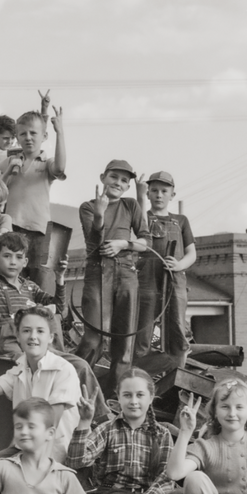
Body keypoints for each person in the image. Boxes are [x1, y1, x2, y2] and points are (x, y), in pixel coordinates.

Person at [67, 368, 174, 494]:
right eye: (127, 395)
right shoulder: (107, 429)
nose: (133, 401)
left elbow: (167, 478)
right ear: (118, 397)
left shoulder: (162, 434)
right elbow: (76, 461)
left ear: (151, 396)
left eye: (140, 395)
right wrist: (84, 422)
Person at [0, 308, 82, 462]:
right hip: (24, 449)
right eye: (26, 331)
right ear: (18, 337)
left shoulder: (63, 370)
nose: (33, 336)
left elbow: (49, 426)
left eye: (40, 331)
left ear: (50, 338)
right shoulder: (19, 370)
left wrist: (19, 465)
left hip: (55, 455)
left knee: (0, 474)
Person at [76, 159, 149, 393]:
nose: (118, 183)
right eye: (113, 177)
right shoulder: (88, 206)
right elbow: (94, 242)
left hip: (126, 274)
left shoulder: (131, 206)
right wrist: (99, 216)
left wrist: (123, 243)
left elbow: (145, 242)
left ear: (128, 186)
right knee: (92, 340)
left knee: (124, 343)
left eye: (124, 180)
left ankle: (116, 398)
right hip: (98, 272)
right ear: (102, 178)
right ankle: (71, 386)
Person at [0, 231, 67, 359]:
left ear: (25, 262)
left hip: (30, 336)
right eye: (7, 256)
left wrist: (60, 278)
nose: (13, 262)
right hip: (5, 339)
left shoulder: (31, 287)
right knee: (26, 361)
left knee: (78, 364)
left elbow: (58, 307)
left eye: (18, 257)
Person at [3, 95, 68, 294]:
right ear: (17, 137)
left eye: (33, 133)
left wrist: (60, 132)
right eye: (23, 134)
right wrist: (9, 171)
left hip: (40, 231)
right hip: (13, 229)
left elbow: (60, 167)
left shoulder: (46, 163)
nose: (28, 137)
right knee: (14, 284)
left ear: (44, 136)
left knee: (42, 283)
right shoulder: (9, 162)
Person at [135, 170, 196, 367]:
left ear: (172, 195)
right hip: (147, 282)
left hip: (175, 282)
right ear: (148, 193)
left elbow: (192, 254)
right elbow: (138, 233)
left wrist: (179, 265)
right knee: (142, 331)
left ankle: (177, 375)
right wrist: (138, 193)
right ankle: (138, 377)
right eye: (154, 190)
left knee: (177, 330)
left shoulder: (181, 221)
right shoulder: (143, 217)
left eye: (163, 191)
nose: (159, 195)